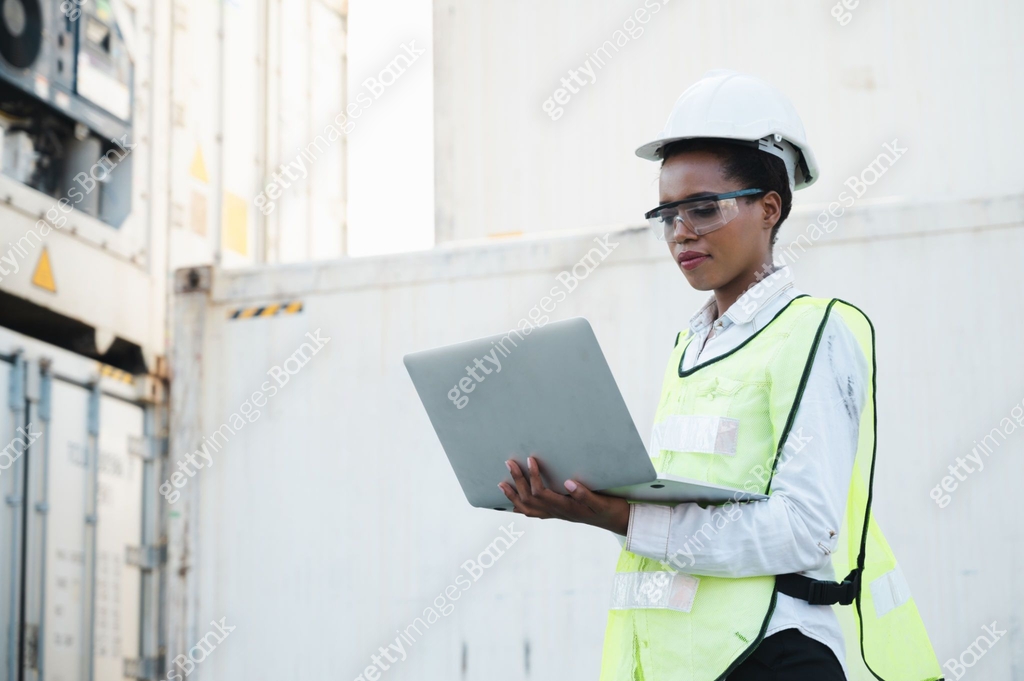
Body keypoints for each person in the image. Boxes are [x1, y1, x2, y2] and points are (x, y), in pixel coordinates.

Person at [497, 70, 942, 681]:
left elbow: (804, 528)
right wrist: (581, 497)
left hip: (775, 654)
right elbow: (688, 505)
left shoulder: (814, 331)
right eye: (668, 213)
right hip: (689, 661)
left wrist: (623, 519)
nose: (681, 231)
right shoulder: (693, 343)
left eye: (703, 208)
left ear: (769, 208)